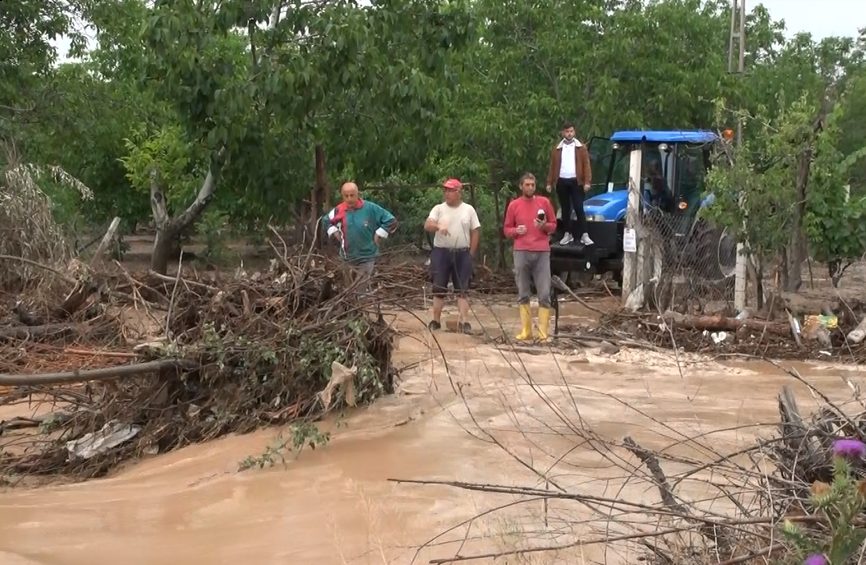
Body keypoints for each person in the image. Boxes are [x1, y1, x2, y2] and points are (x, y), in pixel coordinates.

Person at [503, 173, 557, 341]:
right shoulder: (514, 205)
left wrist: (544, 226)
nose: (530, 187)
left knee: (544, 293)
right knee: (523, 292)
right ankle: (526, 330)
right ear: (521, 186)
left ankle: (543, 332)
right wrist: (515, 231)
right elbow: (506, 229)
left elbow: (554, 225)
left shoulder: (544, 202)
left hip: (542, 251)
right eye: (527, 185)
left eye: (532, 185)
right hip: (521, 250)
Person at [424, 178, 481, 334]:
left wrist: (471, 253)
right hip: (441, 252)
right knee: (438, 286)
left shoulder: (468, 210)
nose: (447, 193)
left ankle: (464, 321)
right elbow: (427, 224)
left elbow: (475, 231)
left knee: (462, 288)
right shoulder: (438, 209)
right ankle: (436, 320)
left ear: (459, 192)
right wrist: (438, 226)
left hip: (462, 252)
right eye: (446, 190)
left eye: (450, 190)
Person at [323, 182, 397, 282]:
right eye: (346, 196)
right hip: (347, 257)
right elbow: (326, 220)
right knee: (349, 288)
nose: (349, 199)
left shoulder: (370, 208)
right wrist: (334, 232)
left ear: (357, 194)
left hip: (367, 257)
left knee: (360, 287)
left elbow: (391, 221)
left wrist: (379, 233)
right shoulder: (338, 210)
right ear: (342, 196)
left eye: (352, 195)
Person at [545, 121, 593, 246]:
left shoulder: (581, 148)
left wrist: (587, 182)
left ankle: (584, 234)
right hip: (562, 180)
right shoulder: (557, 149)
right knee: (565, 208)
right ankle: (567, 233)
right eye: (567, 131)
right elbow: (552, 166)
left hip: (576, 181)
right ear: (563, 133)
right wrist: (549, 182)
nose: (569, 134)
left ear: (574, 132)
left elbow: (586, 165)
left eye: (571, 131)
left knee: (578, 207)